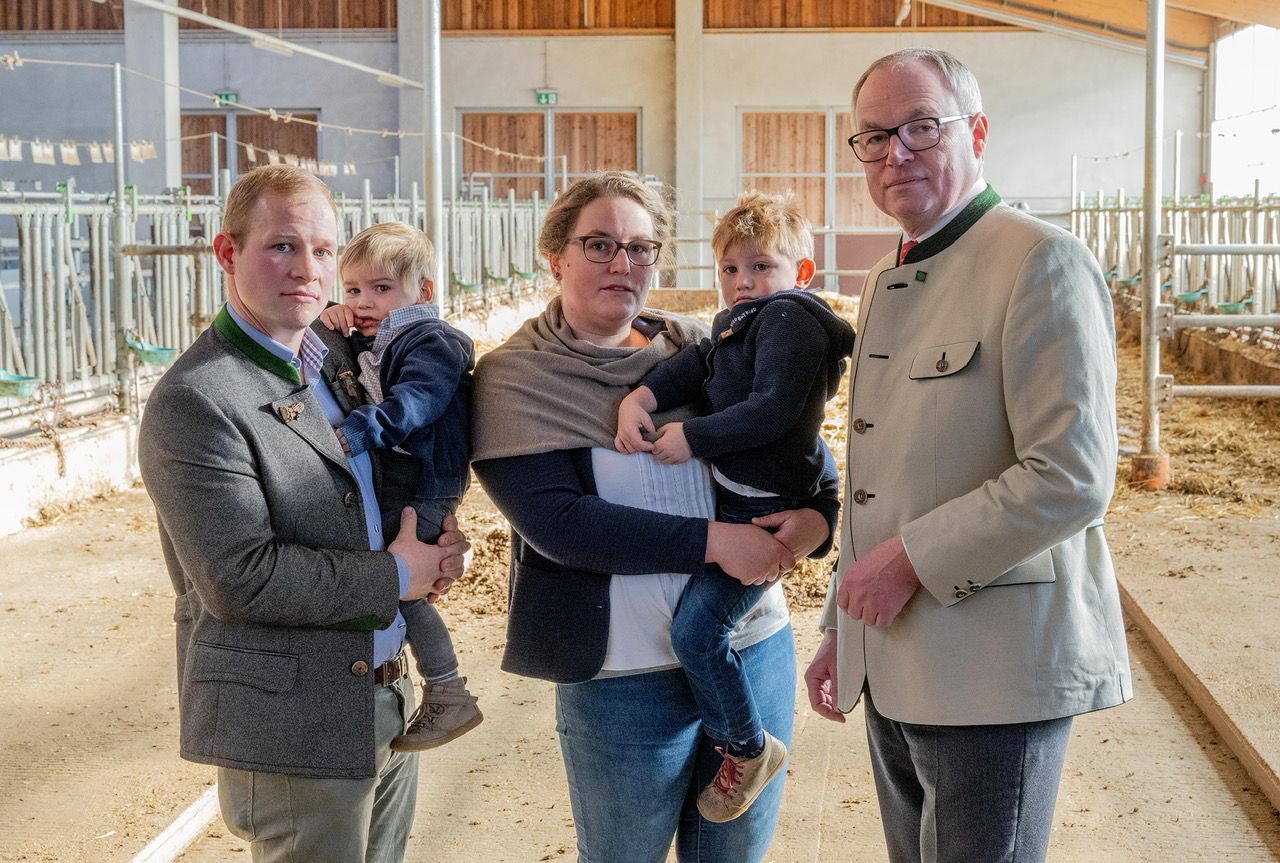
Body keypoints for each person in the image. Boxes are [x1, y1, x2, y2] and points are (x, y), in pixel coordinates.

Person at [804, 48, 1133, 863]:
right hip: (893, 655)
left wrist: (907, 562)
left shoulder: (1036, 259)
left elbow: (1072, 474)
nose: (896, 153)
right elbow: (885, 469)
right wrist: (842, 621)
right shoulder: (883, 276)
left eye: (921, 126)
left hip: (991, 668)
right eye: (874, 138)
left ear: (976, 131)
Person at [470, 172, 838, 862]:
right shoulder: (514, 379)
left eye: (641, 249)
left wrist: (820, 520)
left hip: (751, 646)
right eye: (600, 244)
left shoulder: (704, 346)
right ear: (557, 257)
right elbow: (565, 525)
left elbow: (798, 441)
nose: (623, 264)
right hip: (622, 679)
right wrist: (718, 541)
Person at [138, 164, 470, 863]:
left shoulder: (335, 363)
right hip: (292, 725)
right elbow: (241, 578)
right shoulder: (197, 399)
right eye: (282, 246)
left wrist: (430, 542)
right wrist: (394, 575)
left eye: (323, 250)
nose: (308, 269)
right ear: (228, 254)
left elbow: (370, 496)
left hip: (384, 694)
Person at [613, 190, 854, 823]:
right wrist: (638, 396)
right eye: (730, 269)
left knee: (698, 632)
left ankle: (746, 748)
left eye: (760, 267)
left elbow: (775, 411)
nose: (743, 283)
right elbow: (693, 365)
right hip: (745, 501)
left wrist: (693, 438)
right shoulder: (736, 324)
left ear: (799, 272)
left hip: (769, 507)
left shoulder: (790, 322)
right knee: (696, 625)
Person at [318, 221, 482, 751]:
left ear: (424, 292)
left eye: (381, 288)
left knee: (403, 583)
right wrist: (331, 319)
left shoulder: (434, 341)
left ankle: (447, 689)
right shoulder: (382, 337)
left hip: (424, 484)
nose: (364, 302)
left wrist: (355, 435)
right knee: (396, 577)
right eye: (353, 290)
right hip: (410, 478)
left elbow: (417, 403)